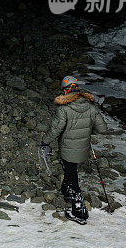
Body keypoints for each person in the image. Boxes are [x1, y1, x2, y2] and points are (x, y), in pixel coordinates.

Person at [41, 76, 107, 224]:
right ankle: (67, 193)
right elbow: (103, 128)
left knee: (71, 176)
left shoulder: (64, 109)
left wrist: (44, 141)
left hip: (67, 149)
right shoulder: (90, 106)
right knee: (71, 171)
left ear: (65, 90)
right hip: (83, 149)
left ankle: (80, 212)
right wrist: (87, 133)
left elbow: (55, 130)